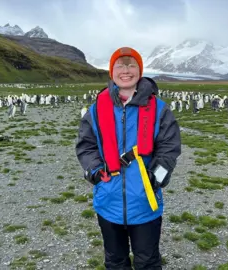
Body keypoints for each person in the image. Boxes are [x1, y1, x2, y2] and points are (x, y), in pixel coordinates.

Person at [75, 47, 182, 269]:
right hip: (108, 200)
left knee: (148, 262)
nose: (126, 70)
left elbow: (169, 148)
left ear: (140, 71)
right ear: (111, 72)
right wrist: (94, 170)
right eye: (120, 65)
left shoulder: (159, 110)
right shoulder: (96, 110)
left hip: (145, 201)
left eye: (131, 65)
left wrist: (157, 177)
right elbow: (86, 145)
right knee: (115, 261)